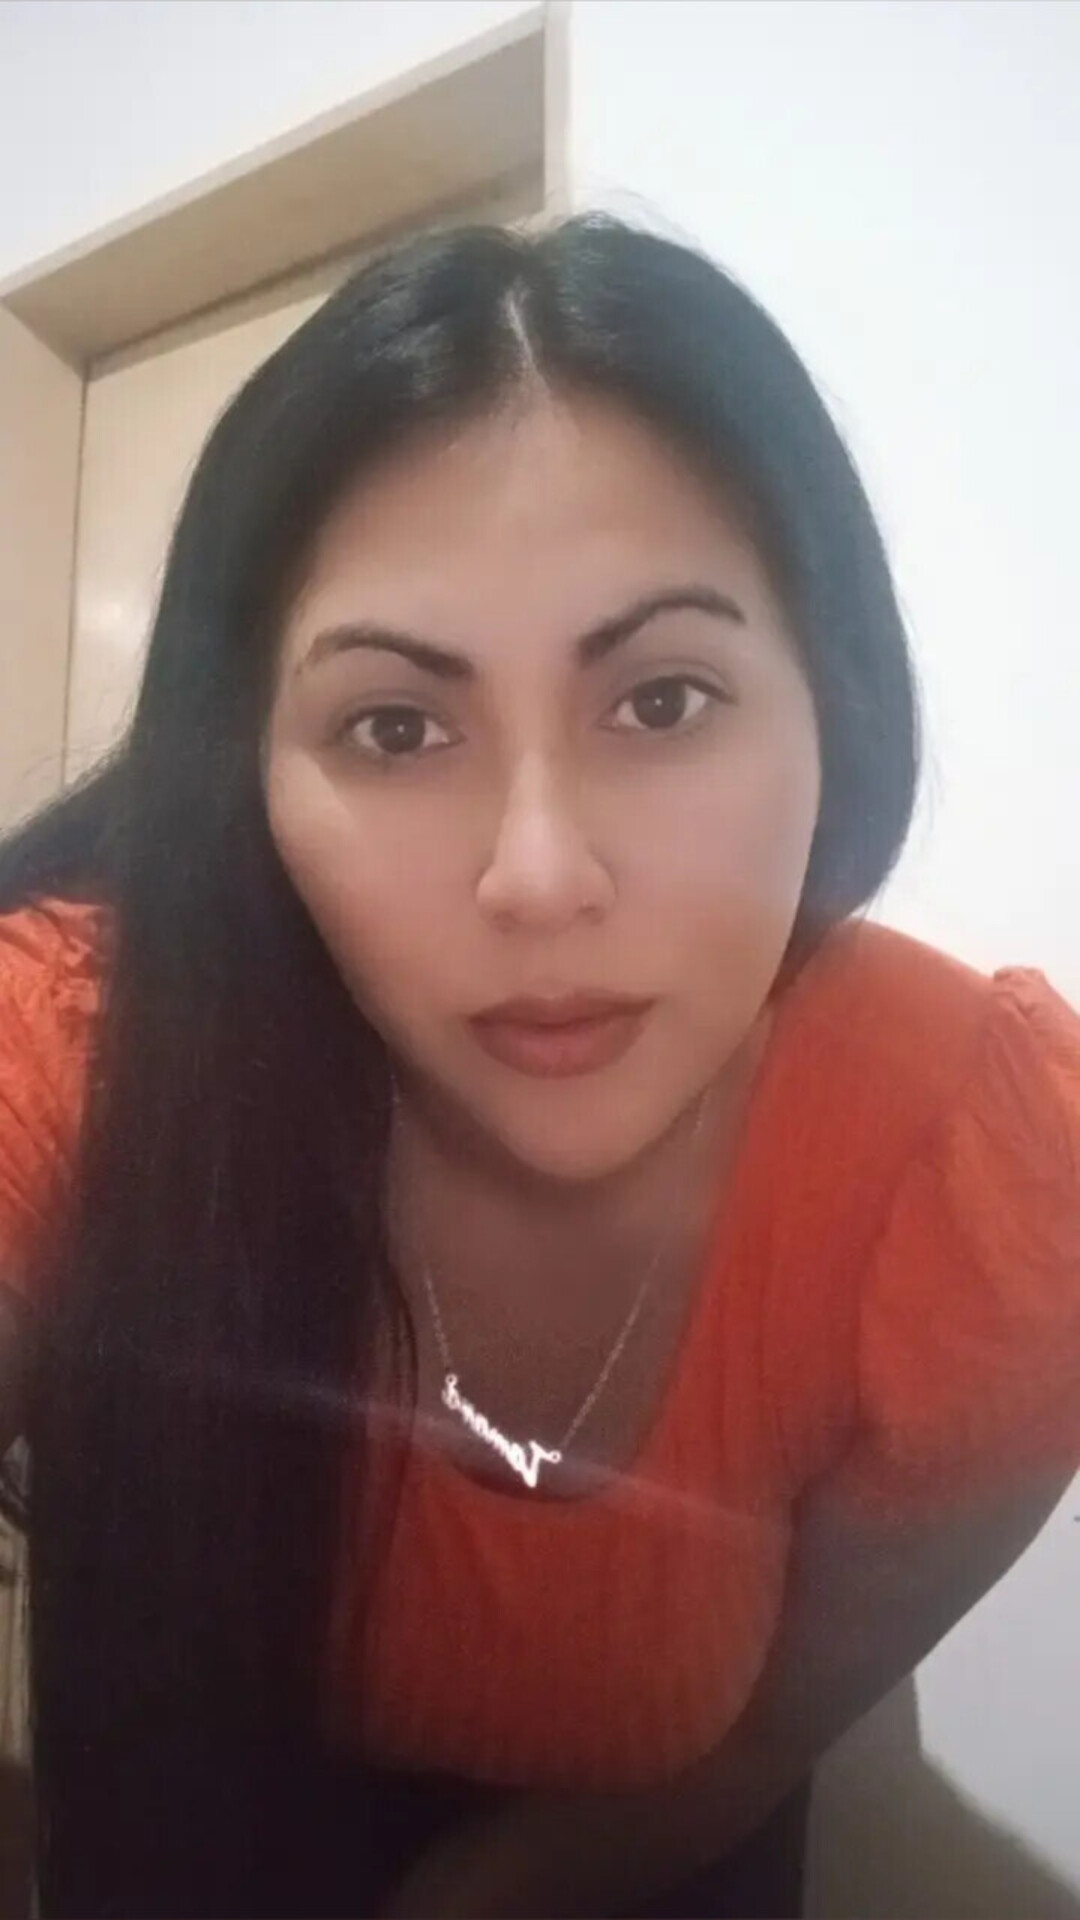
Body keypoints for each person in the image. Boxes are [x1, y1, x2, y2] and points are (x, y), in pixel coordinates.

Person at [0, 212, 1076, 1920]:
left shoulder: (995, 1174)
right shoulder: (88, 1047)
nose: (540, 875)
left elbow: (761, 1739)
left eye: (663, 701)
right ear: (248, 777)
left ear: (835, 706)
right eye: (396, 727)